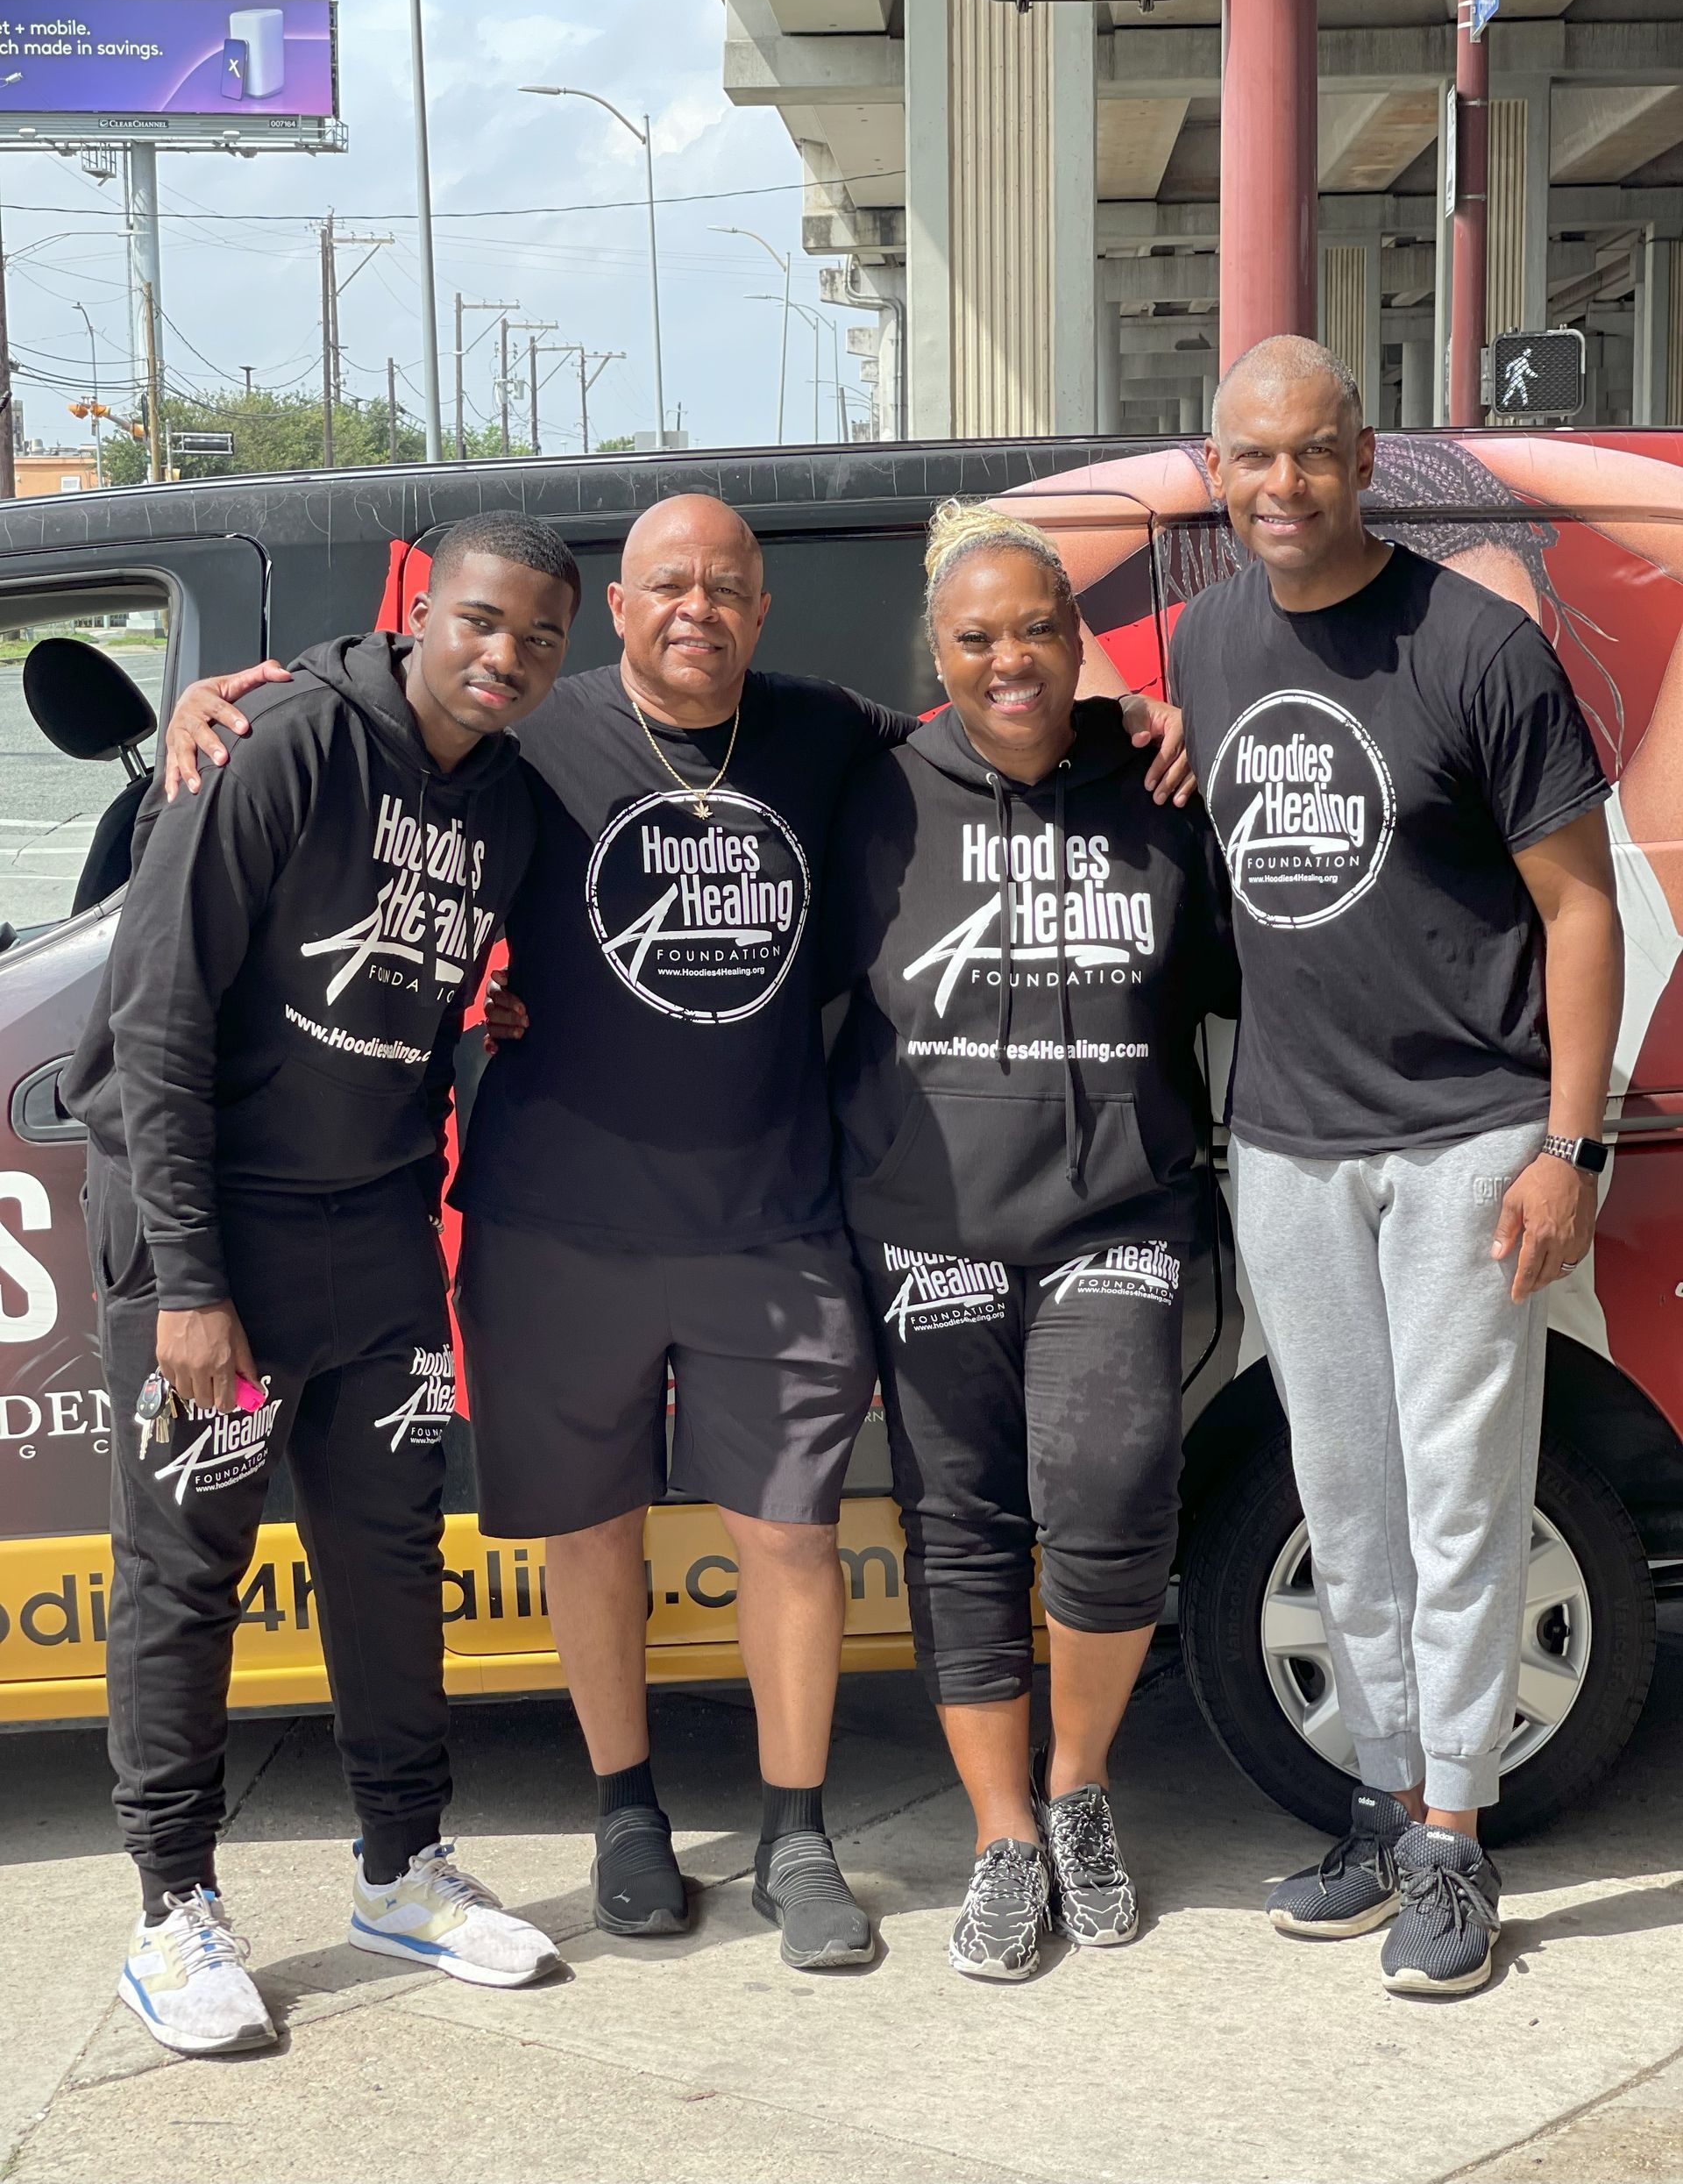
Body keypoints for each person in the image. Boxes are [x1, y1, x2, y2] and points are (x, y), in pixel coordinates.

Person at [167, 490, 1191, 1977]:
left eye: (726, 587)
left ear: (762, 612)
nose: (696, 610)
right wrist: (231, 717)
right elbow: (390, 772)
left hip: (770, 1214)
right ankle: (626, 1814)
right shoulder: (533, 736)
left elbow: (999, 698)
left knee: (787, 1533)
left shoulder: (832, 734)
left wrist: (1134, 705)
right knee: (590, 1534)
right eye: (665, 586)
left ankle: (795, 1832)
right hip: (553, 1216)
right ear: (617, 610)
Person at [63, 513, 578, 2055]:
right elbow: (155, 1019)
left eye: (541, 638)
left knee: (389, 1555)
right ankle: (173, 1909)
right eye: (483, 621)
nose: (506, 656)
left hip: (374, 1239)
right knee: (182, 1576)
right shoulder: (285, 744)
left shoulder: (511, 811)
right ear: (426, 611)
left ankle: (400, 1867)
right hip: (208, 1240)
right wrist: (187, 1289)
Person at [1166, 338, 1623, 1996]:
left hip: (1468, 1140)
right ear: (1216, 472)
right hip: (1290, 1143)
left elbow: (1583, 908)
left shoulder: (1478, 646)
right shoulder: (1211, 642)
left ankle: (1453, 1842)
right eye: (1248, 459)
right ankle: (1378, 1795)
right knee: (1343, 1489)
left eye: (1309, 455)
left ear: (1360, 460)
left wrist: (1565, 1148)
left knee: (1460, 1493)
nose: (1278, 486)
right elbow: (1111, 735)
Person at [824, 502, 1239, 1980]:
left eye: (1038, 630)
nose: (1011, 659)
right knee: (963, 1527)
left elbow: (1264, 966)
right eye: (977, 636)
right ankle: (999, 1836)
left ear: (1080, 641)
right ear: (934, 651)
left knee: (1114, 1484)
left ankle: (1078, 1790)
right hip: (927, 1218)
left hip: (1118, 1202)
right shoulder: (870, 795)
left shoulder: (1158, 780)